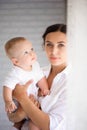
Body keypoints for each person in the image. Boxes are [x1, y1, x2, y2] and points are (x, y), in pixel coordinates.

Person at [7, 23, 71, 130]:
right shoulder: (36, 72)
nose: (53, 51)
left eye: (61, 45)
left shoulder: (76, 81)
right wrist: (22, 111)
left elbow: (49, 126)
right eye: (49, 44)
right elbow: (12, 117)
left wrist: (23, 98)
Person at [3, 37, 50, 130]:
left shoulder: (35, 65)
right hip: (19, 106)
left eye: (31, 49)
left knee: (34, 125)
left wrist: (45, 88)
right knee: (19, 122)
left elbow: (41, 78)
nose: (32, 53)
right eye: (26, 52)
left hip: (34, 104)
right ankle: (18, 125)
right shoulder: (15, 72)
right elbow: (7, 87)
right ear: (16, 61)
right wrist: (8, 101)